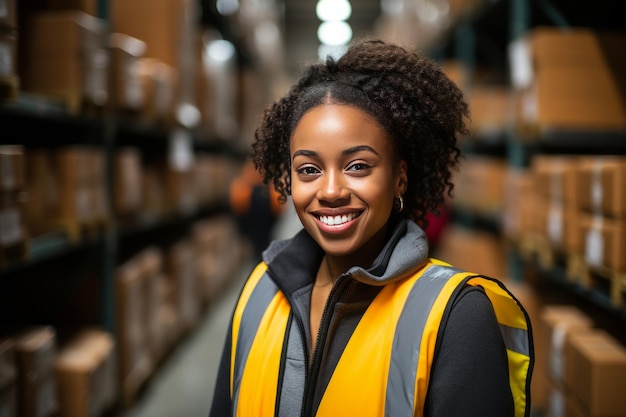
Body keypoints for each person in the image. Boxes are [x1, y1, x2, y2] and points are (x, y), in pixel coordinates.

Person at [208, 39, 533, 417]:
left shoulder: (457, 317)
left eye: (358, 166)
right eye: (309, 170)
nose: (330, 191)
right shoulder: (259, 291)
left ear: (399, 178)